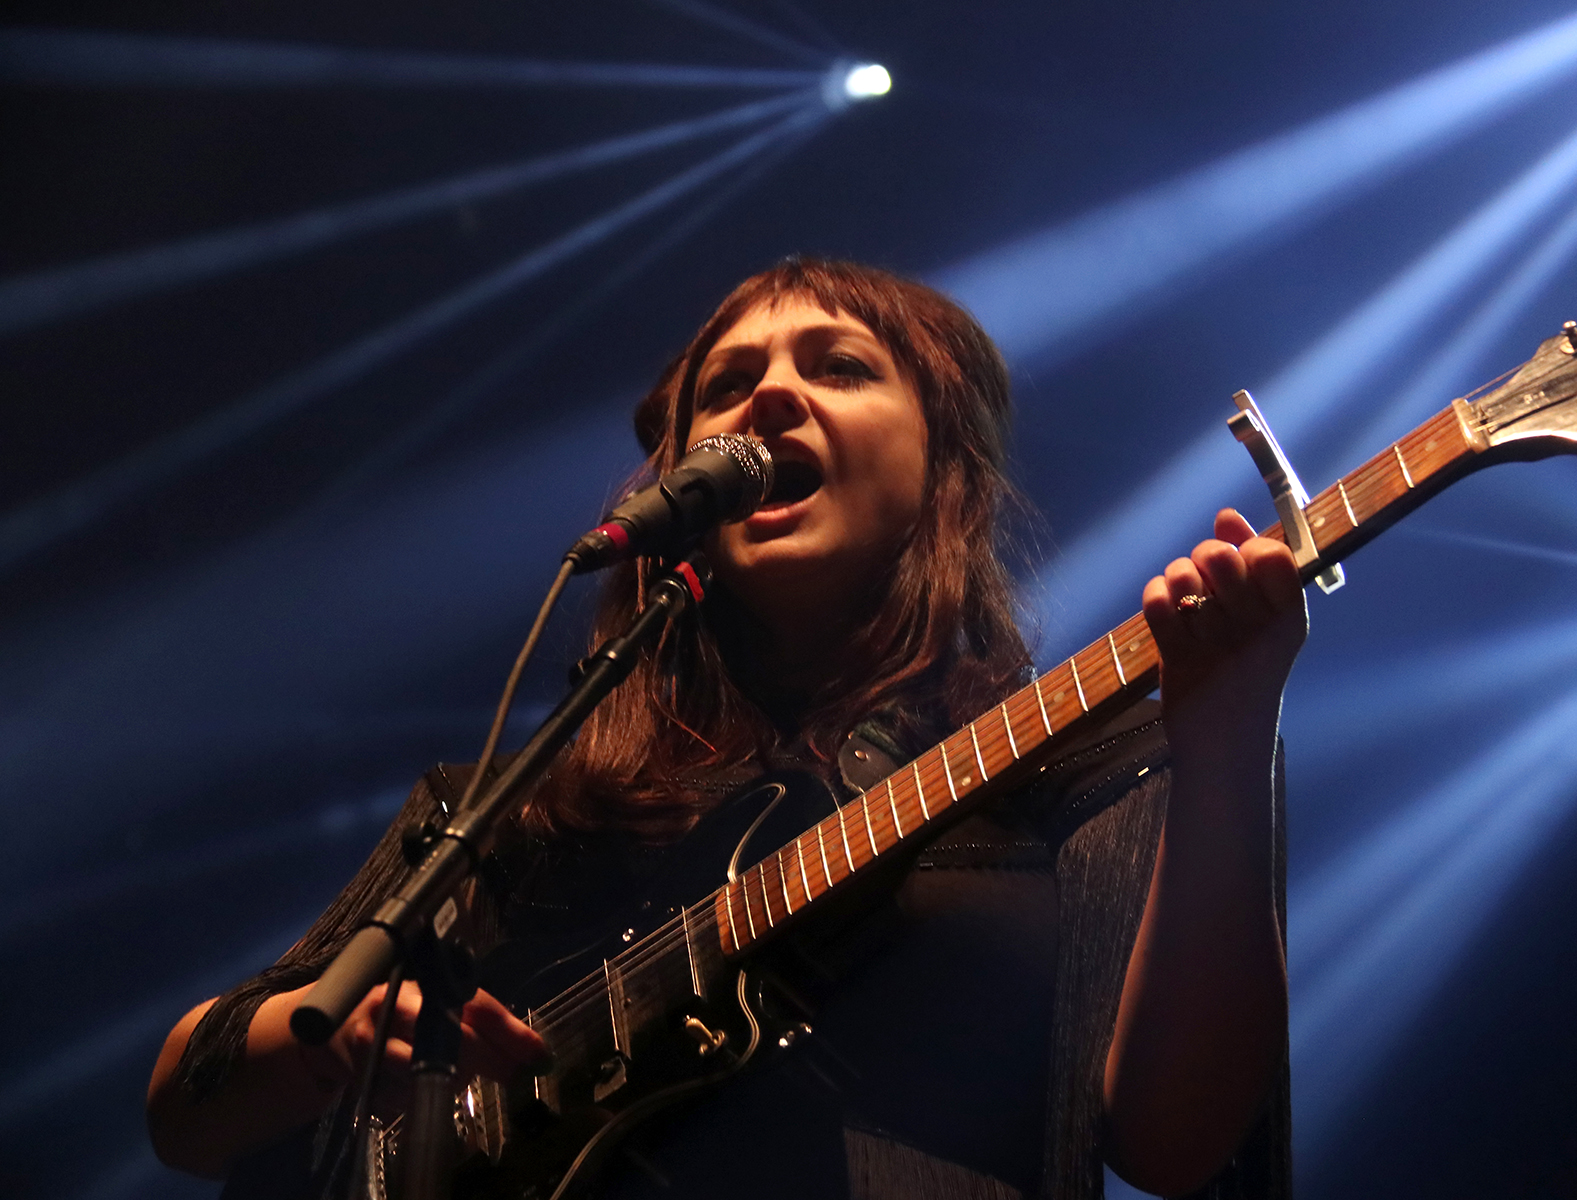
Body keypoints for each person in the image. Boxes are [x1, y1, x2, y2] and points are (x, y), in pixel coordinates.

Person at [147, 259, 1305, 1200]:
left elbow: (1169, 1143)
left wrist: (1231, 735)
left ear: (946, 468)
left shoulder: (1074, 761)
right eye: (730, 381)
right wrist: (336, 1041)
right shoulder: (512, 811)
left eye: (842, 366)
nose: (770, 396)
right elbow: (184, 1109)